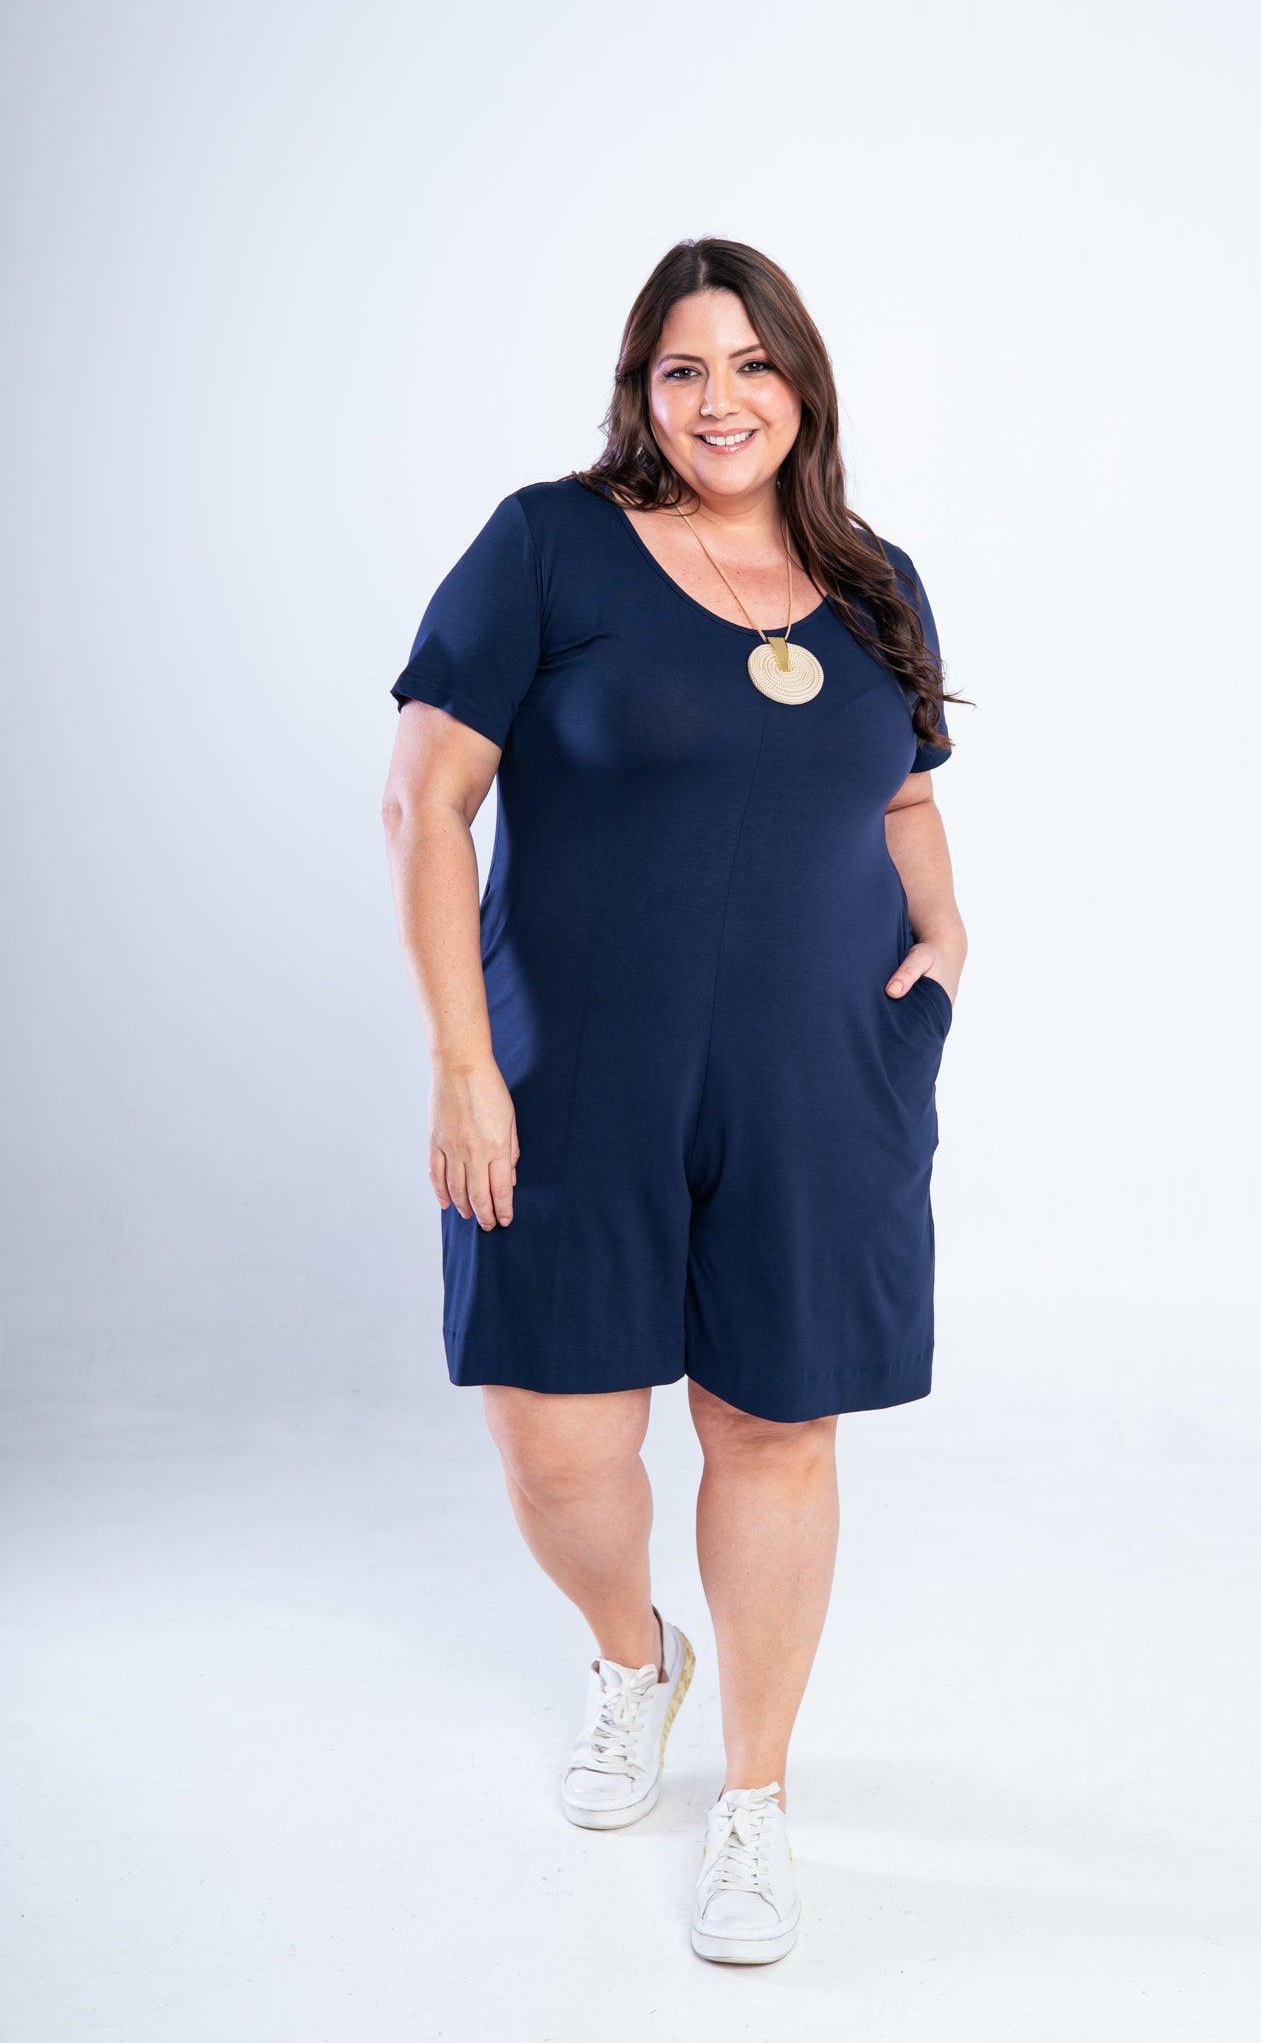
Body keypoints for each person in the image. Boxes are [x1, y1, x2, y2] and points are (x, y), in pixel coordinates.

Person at [381, 236, 968, 1965]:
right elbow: (425, 805)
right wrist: (463, 1063)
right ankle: (634, 1660)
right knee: (558, 1439)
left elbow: (904, 792)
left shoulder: (871, 579)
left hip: (817, 1080)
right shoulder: (546, 546)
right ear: (640, 393)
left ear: (803, 385)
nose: (722, 401)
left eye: (752, 365)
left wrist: (946, 933)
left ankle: (755, 1801)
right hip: (567, 1074)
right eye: (683, 370)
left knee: (773, 1429)